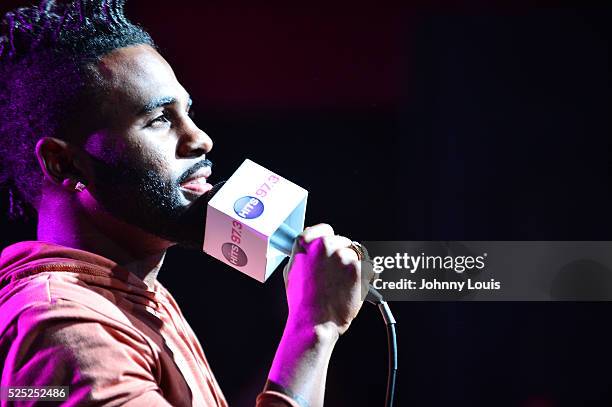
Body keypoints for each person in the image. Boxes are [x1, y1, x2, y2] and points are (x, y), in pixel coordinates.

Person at [0, 1, 373, 406]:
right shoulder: (65, 327)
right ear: (64, 163)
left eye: (187, 111)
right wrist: (312, 330)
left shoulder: (133, 297)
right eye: (159, 119)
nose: (200, 139)